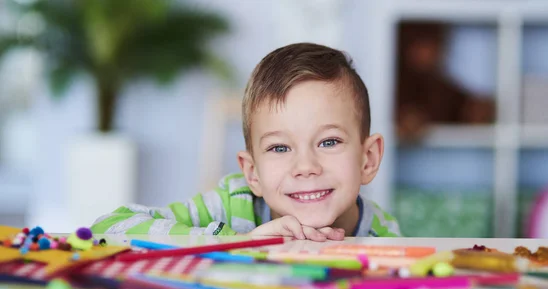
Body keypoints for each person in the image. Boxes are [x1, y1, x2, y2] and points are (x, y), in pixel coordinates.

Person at [91, 43, 401, 241]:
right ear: (252, 173)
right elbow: (110, 226)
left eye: (329, 142)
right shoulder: (233, 202)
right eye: (280, 148)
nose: (305, 167)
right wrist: (240, 242)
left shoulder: (383, 236)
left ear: (368, 159)